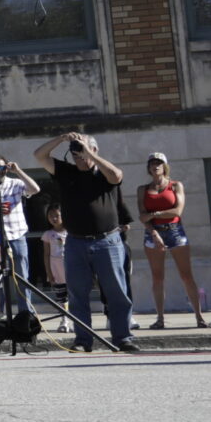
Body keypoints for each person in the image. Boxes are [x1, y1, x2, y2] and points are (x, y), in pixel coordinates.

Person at [34, 131, 142, 354]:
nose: (79, 158)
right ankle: (83, 340)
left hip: (107, 241)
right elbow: (39, 155)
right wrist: (61, 139)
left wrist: (91, 155)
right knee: (77, 293)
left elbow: (116, 175)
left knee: (116, 292)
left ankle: (122, 338)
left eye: (82, 153)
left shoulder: (103, 173)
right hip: (75, 243)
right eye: (75, 154)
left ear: (94, 150)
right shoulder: (66, 172)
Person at [135, 152, 208, 331]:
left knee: (186, 274)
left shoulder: (175, 185)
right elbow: (142, 216)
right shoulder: (143, 189)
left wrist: (155, 214)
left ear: (165, 166)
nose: (155, 165)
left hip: (174, 230)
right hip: (153, 233)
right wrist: (154, 232)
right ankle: (160, 318)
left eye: (159, 162)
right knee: (157, 277)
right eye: (152, 163)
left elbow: (177, 211)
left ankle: (199, 316)